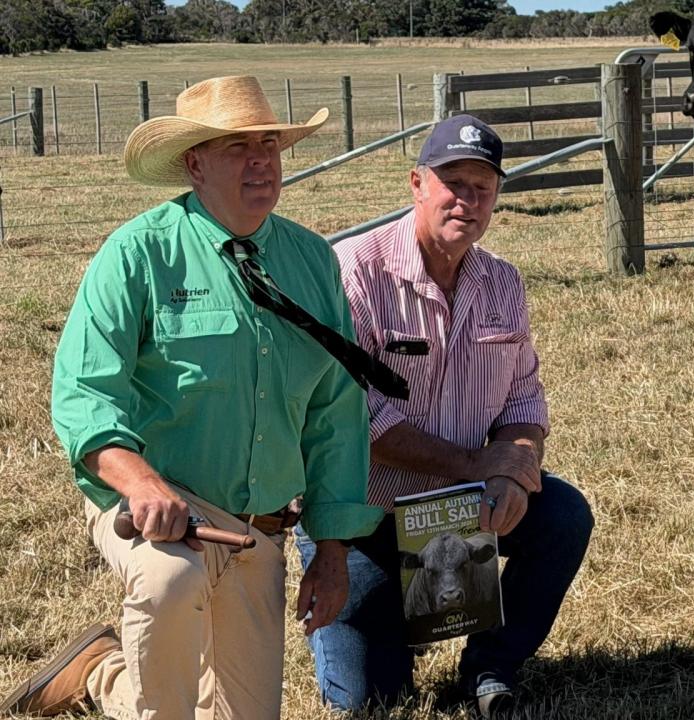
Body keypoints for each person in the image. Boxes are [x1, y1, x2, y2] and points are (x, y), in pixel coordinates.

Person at [2, 75, 386, 718]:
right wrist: (143, 484)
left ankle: (100, 671)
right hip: (161, 506)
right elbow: (83, 390)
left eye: (269, 143)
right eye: (237, 146)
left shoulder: (313, 261)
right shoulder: (138, 253)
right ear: (195, 163)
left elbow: (336, 416)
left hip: (258, 527)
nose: (261, 160)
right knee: (171, 582)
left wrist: (333, 550)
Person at [295, 114, 594, 718]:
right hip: (364, 518)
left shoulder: (502, 282)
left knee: (561, 515)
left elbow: (524, 398)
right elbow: (354, 415)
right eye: (452, 182)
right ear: (416, 184)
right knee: (369, 702)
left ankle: (491, 663)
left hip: (461, 507)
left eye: (482, 187)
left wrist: (513, 469)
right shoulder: (353, 272)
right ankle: (394, 627)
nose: (467, 200)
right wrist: (476, 462)